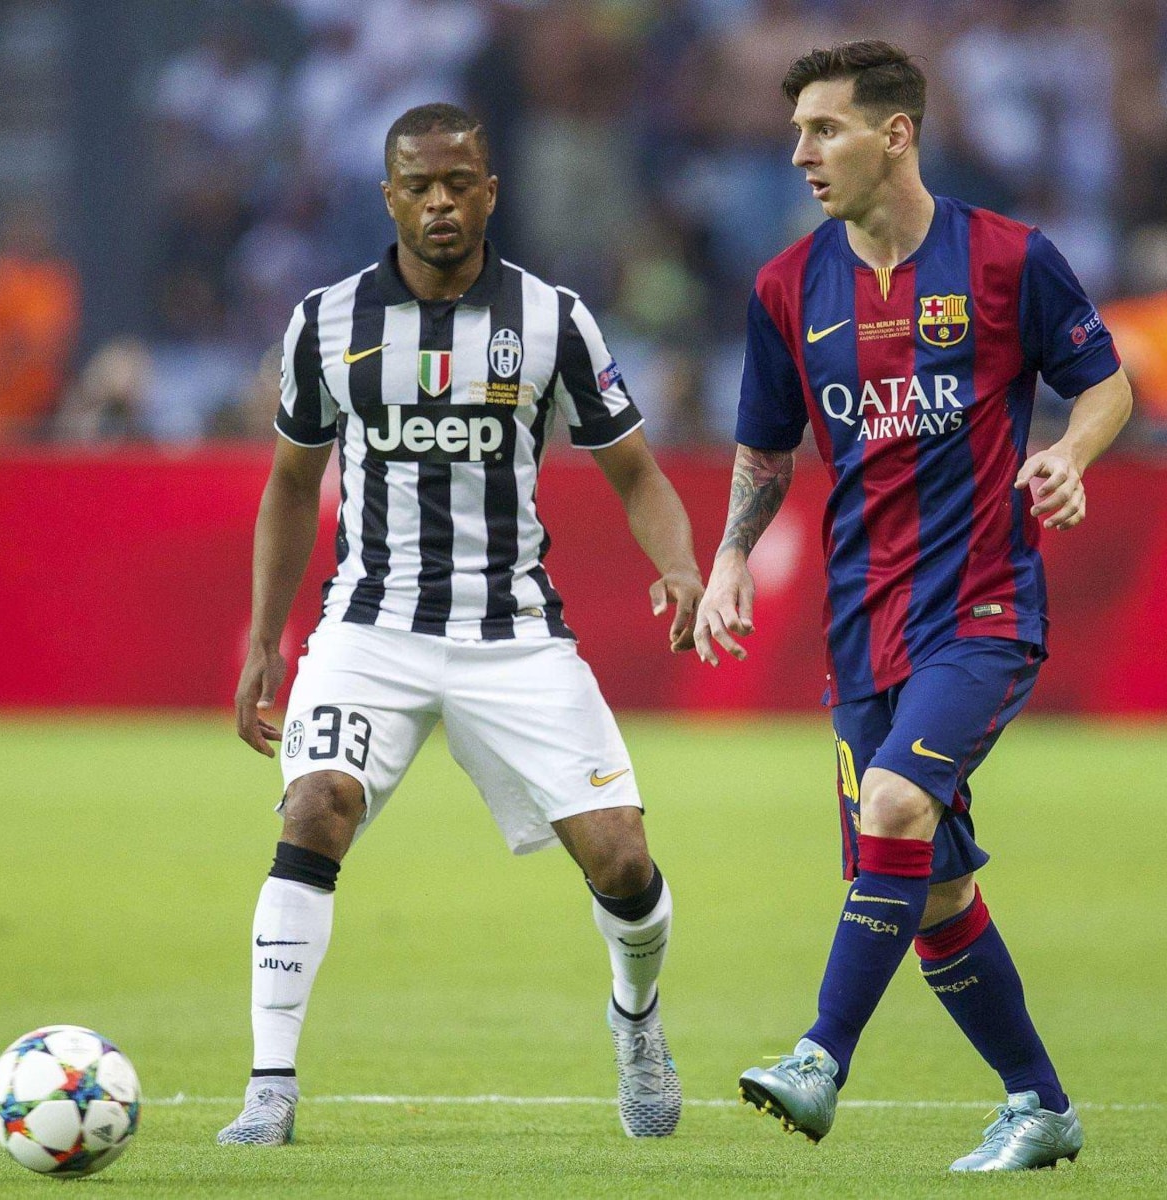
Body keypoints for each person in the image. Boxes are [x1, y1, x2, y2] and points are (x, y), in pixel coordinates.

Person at [217, 103, 703, 1146]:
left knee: (622, 860)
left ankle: (637, 1024)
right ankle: (269, 1088)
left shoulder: (552, 319)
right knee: (313, 810)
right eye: (418, 186)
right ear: (388, 197)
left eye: (458, 183)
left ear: (490, 191)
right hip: (368, 627)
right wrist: (265, 637)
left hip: (512, 629)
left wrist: (679, 567)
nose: (439, 203)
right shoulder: (326, 322)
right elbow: (292, 484)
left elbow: (635, 471)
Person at [694, 42, 1131, 1172]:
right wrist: (732, 554)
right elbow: (766, 446)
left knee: (892, 807)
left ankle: (819, 1058)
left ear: (895, 134)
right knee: (928, 889)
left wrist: (1071, 453)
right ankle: (1039, 1104)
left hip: (982, 607)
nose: (802, 154)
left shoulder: (1008, 258)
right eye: (796, 133)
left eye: (825, 130)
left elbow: (1106, 381)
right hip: (862, 626)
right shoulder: (788, 288)